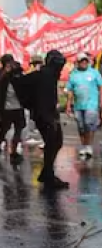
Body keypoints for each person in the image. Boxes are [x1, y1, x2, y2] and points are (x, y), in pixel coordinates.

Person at [14, 50, 67, 189]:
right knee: (53, 142)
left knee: (56, 142)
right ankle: (48, 175)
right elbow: (20, 82)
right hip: (45, 115)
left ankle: (47, 172)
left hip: (47, 113)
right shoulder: (43, 74)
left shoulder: (49, 74)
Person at [64, 54, 102, 159]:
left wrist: (101, 101)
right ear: (78, 62)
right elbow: (70, 90)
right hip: (78, 105)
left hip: (91, 104)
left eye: (85, 61)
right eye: (82, 61)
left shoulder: (94, 73)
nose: (84, 63)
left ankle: (89, 146)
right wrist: (68, 105)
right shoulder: (73, 74)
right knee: (81, 127)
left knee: (89, 124)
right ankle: (84, 146)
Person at [0, 55, 26, 164]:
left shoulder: (17, 73)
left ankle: (14, 152)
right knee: (4, 129)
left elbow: (24, 85)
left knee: (18, 130)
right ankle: (12, 150)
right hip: (6, 109)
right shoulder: (2, 75)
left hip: (17, 107)